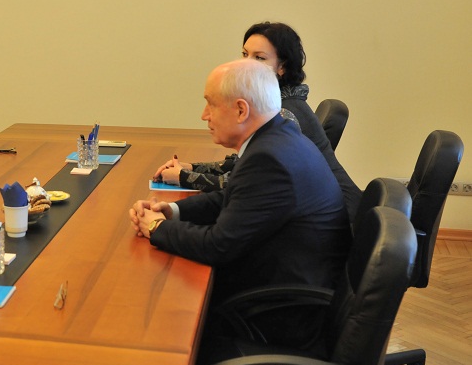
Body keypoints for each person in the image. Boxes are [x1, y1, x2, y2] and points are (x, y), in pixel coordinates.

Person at [129, 59, 351, 345]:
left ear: (241, 110)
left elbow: (218, 245)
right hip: (288, 288)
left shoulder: (269, 158)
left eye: (210, 104)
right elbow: (232, 197)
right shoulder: (279, 136)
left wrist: (157, 228)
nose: (204, 115)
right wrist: (172, 210)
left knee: (160, 311)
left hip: (279, 317)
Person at [153, 21, 362, 222]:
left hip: (341, 221)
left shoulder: (283, 113)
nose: (247, 63)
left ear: (282, 67)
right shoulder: (278, 103)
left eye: (259, 58)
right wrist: (190, 167)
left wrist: (184, 177)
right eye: (245, 54)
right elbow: (240, 164)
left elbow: (244, 183)